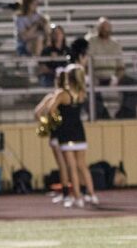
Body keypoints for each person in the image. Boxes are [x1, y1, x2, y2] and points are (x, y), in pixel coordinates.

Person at [48, 56, 99, 208]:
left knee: (71, 167)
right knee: (83, 166)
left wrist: (57, 119)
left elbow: (50, 110)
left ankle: (78, 197)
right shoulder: (82, 93)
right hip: (79, 131)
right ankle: (92, 194)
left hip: (66, 132)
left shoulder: (62, 94)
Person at [35, 65, 73, 205]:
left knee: (62, 164)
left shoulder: (51, 96)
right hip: (64, 133)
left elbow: (37, 113)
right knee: (67, 165)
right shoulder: (67, 95)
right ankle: (68, 194)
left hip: (54, 134)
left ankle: (67, 193)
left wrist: (46, 124)